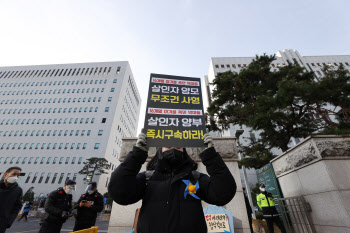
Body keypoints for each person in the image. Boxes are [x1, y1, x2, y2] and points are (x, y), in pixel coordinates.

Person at [108, 131, 237, 233]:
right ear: (160, 151)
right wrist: (137, 154)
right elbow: (120, 193)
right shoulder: (148, 178)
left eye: (178, 146)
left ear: (184, 151)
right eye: (168, 145)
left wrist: (210, 155)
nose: (173, 148)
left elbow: (223, 194)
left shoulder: (196, 178)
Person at [0, 167, 23, 233]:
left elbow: (17, 207)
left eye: (18, 175)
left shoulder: (18, 190)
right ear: (5, 175)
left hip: (2, 223)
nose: (16, 177)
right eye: (14, 174)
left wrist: (8, 222)